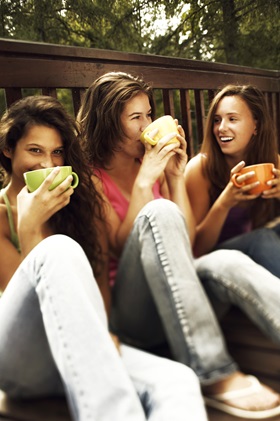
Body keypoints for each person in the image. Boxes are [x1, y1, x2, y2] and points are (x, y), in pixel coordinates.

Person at [77, 71, 280, 418]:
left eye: (148, 114)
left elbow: (185, 244)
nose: (147, 125)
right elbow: (119, 249)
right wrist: (146, 183)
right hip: (133, 315)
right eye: (135, 117)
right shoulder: (92, 178)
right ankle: (214, 373)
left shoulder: (153, 164)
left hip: (177, 297)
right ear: (109, 122)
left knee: (226, 260)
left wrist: (174, 175)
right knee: (158, 211)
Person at [0, 95, 208, 421]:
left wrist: (105, 330)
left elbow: (99, 278)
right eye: (35, 150)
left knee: (178, 381)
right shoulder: (1, 215)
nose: (48, 164)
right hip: (23, 358)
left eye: (57, 152)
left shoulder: (77, 206)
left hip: (82, 345)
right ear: (8, 150)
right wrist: (30, 226)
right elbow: (31, 301)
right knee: (59, 250)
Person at [184, 84, 280, 278]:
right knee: (262, 239)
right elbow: (195, 249)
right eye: (217, 120)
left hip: (257, 254)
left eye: (232, 119)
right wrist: (224, 204)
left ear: (256, 125)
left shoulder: (272, 161)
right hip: (214, 263)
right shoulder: (200, 168)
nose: (221, 128)